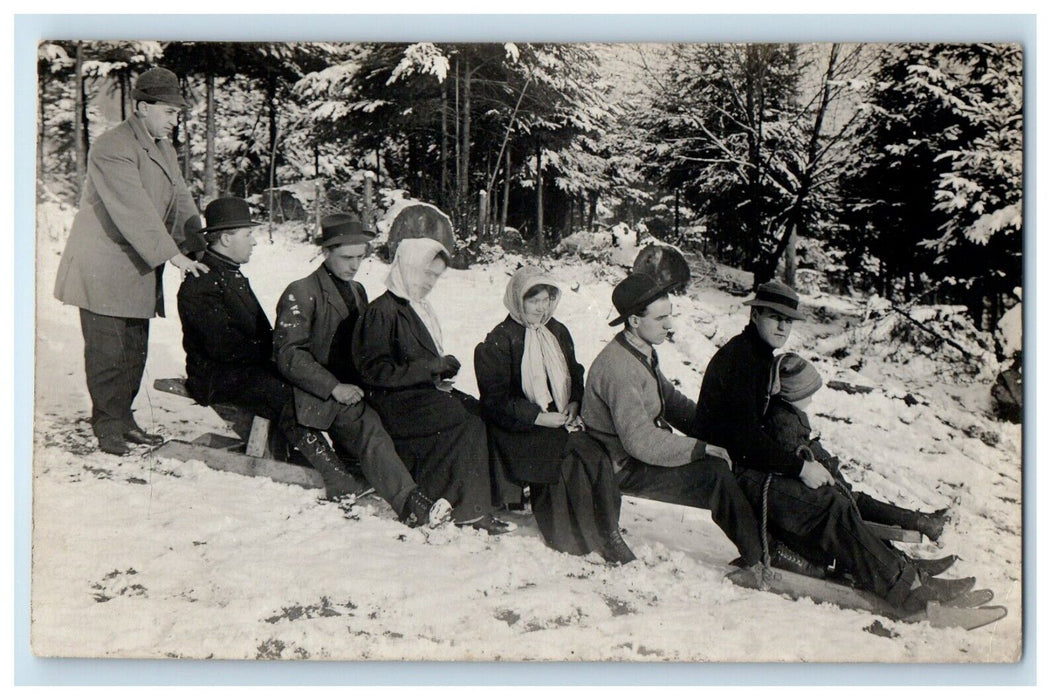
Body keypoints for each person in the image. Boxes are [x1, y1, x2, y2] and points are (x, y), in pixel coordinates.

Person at [695, 280, 973, 613]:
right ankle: (909, 593)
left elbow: (758, 433)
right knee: (832, 508)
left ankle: (909, 572)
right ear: (755, 314)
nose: (783, 326)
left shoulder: (757, 354)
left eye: (789, 320)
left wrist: (804, 457)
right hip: (733, 475)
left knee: (839, 493)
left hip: (749, 465)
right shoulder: (742, 360)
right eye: (774, 317)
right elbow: (744, 439)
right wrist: (800, 468)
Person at [580, 274, 819, 575]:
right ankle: (763, 554)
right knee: (715, 474)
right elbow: (639, 440)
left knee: (727, 461)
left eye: (670, 316)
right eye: (661, 318)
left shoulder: (639, 351)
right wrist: (700, 448)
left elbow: (670, 400)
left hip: (633, 455)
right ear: (634, 321)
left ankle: (768, 544)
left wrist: (715, 430)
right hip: (620, 466)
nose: (670, 325)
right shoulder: (619, 367)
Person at [54, 66, 209, 456]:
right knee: (108, 352)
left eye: (178, 112)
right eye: (170, 111)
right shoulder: (112, 146)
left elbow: (181, 198)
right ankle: (107, 425)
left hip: (138, 264)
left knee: (134, 349)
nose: (176, 120)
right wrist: (171, 253)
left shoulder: (162, 147)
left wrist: (199, 241)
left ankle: (124, 419)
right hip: (103, 265)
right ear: (142, 107)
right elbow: (134, 209)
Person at [271, 213, 452, 527]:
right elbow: (289, 355)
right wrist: (333, 387)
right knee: (368, 427)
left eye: (360, 257)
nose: (354, 265)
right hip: (314, 390)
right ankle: (410, 503)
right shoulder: (301, 291)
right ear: (326, 252)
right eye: (347, 257)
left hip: (352, 384)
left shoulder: (357, 291)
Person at [352, 237, 513, 535]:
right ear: (408, 268)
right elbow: (375, 371)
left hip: (416, 393)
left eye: (436, 276)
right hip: (393, 403)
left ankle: (482, 498)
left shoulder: (416, 306)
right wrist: (431, 368)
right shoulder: (383, 311)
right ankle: (469, 509)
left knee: (477, 410)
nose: (430, 282)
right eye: (426, 273)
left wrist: (436, 376)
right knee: (464, 422)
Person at [475, 267, 633, 563]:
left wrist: (574, 401)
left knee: (595, 453)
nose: (542, 308)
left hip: (559, 420)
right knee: (566, 457)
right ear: (517, 300)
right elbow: (495, 400)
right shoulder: (498, 340)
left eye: (547, 300)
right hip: (518, 428)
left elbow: (575, 372)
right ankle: (574, 537)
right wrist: (537, 417)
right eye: (534, 301)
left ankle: (610, 531)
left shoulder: (557, 331)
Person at [764, 352, 950, 545]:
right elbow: (795, 456)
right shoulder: (783, 422)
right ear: (794, 393)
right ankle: (921, 523)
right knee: (860, 507)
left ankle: (922, 522)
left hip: (829, 483)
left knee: (862, 503)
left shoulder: (788, 415)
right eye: (808, 394)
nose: (811, 399)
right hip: (821, 490)